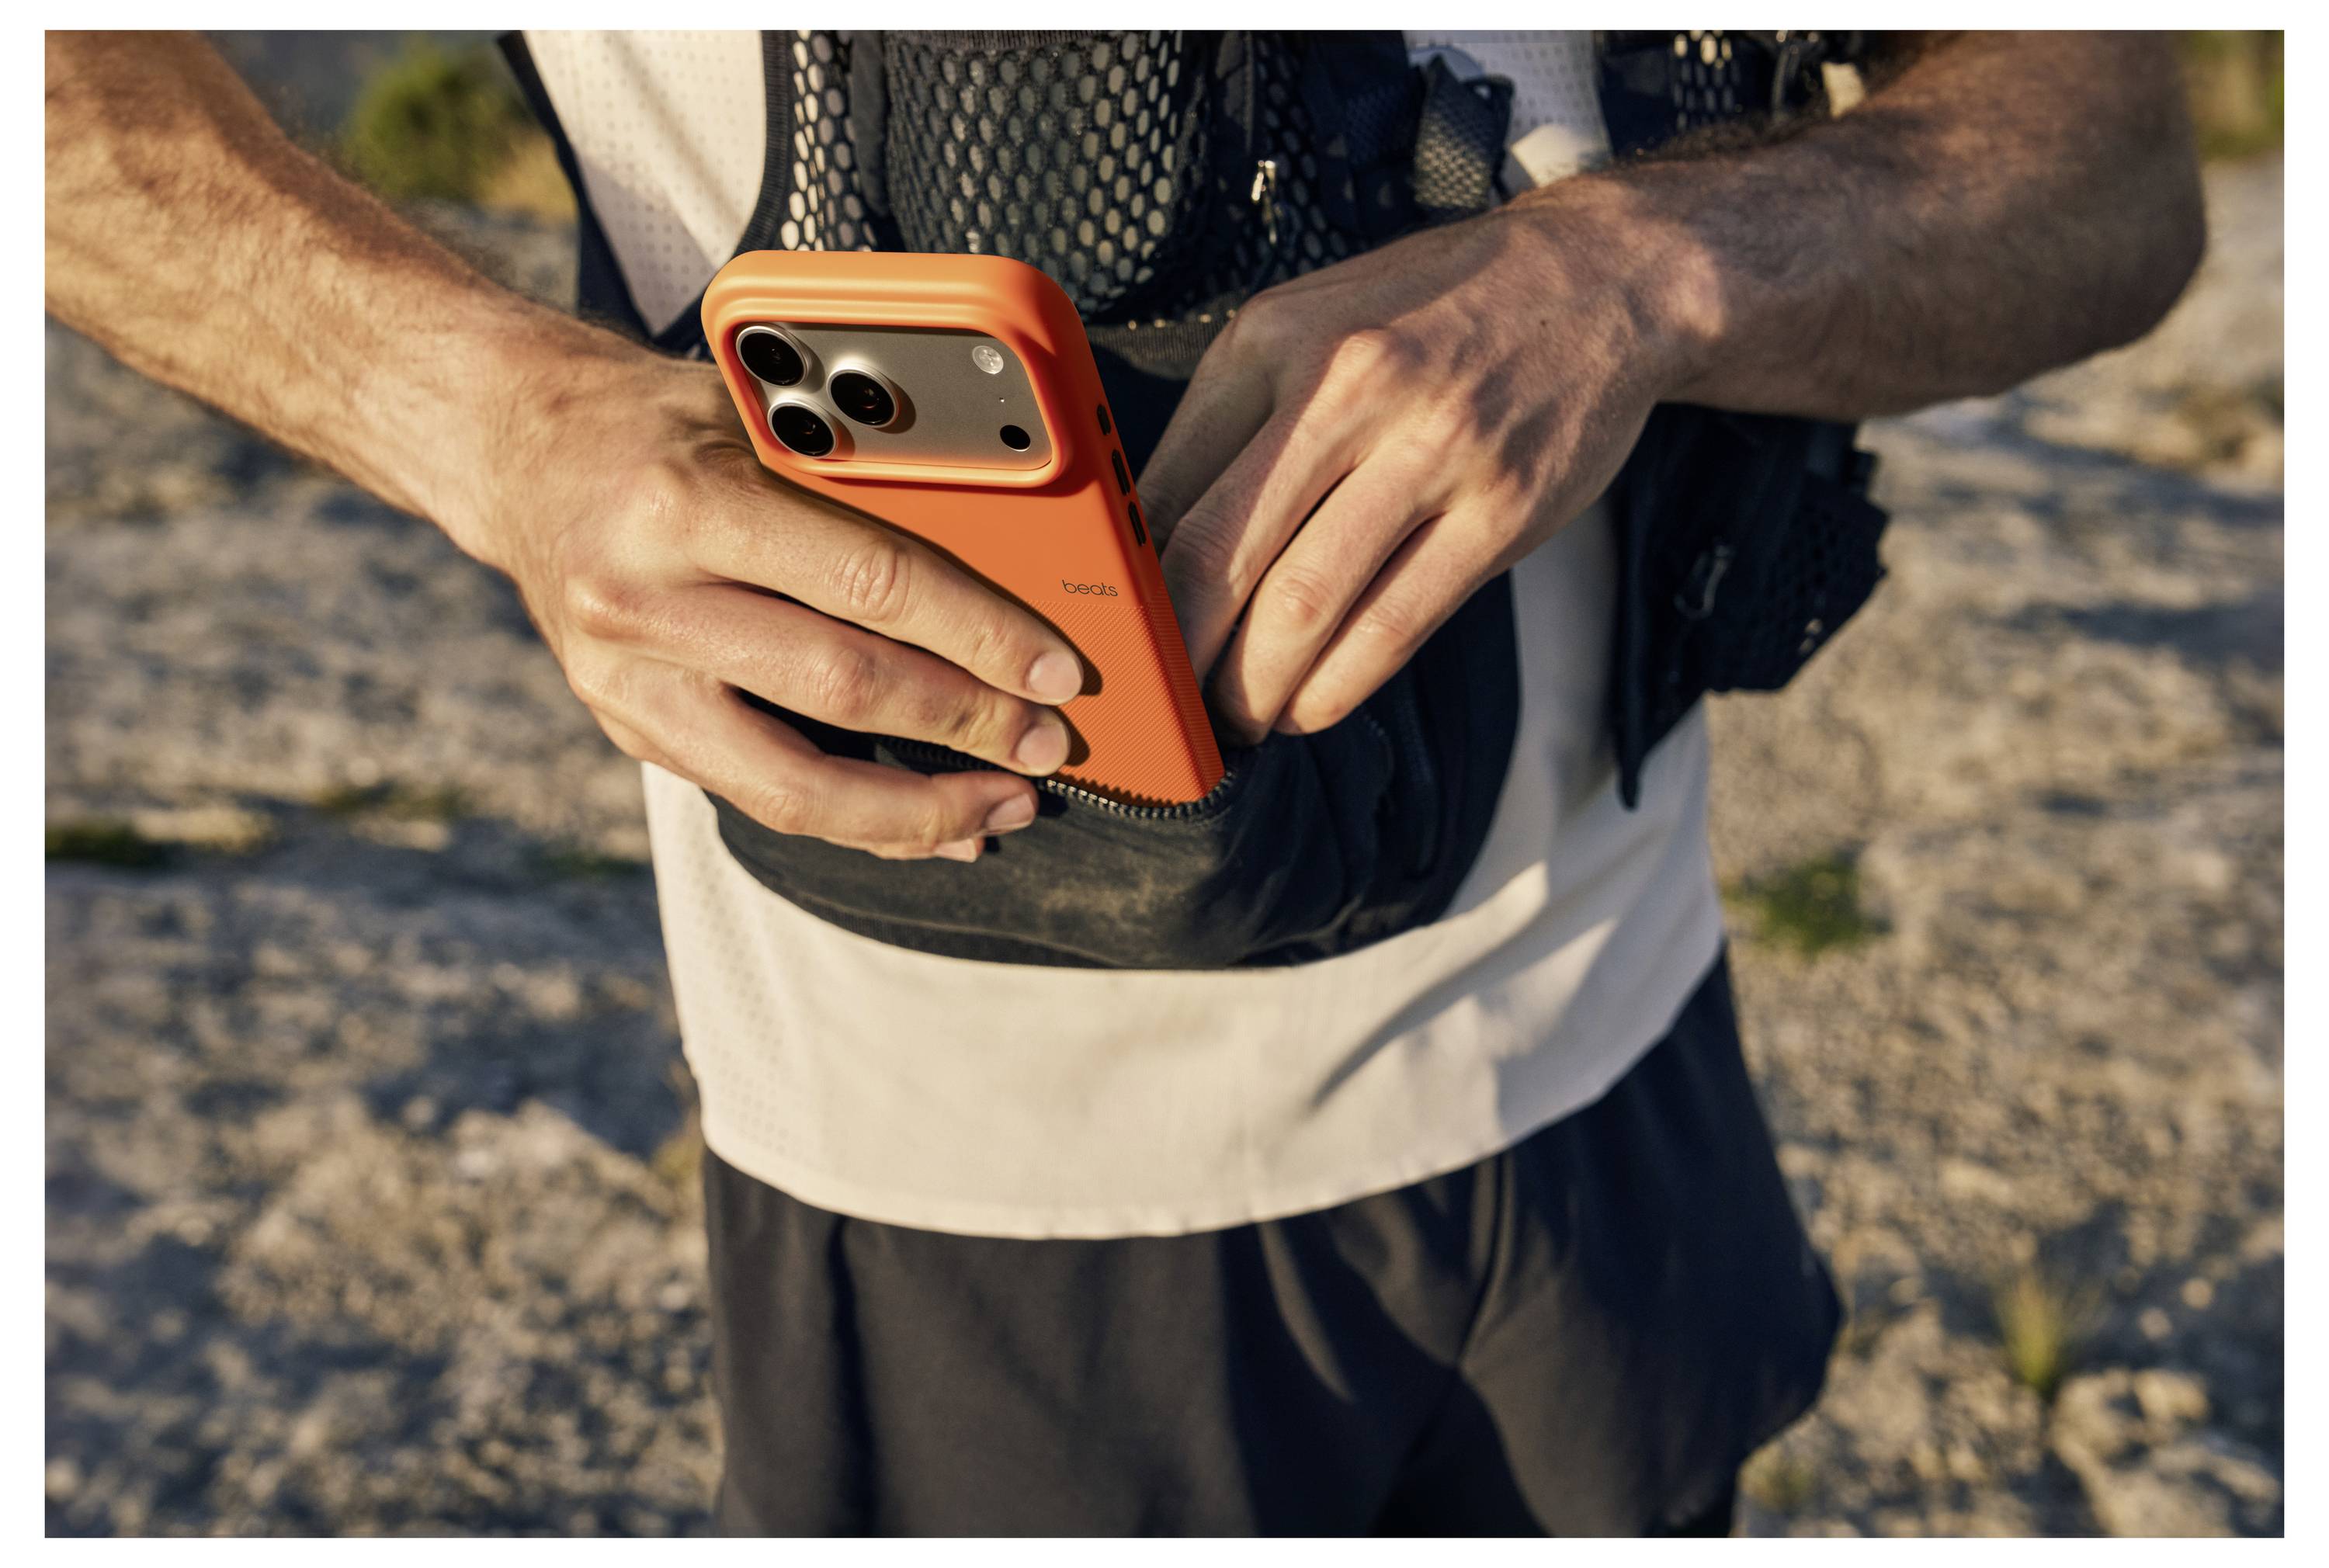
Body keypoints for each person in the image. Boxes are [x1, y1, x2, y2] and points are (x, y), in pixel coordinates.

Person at [46, 28, 2202, 1536]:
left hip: (1619, 1023)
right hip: (981, 1169)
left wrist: (1638, 273)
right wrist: (487, 422)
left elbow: (2105, 149)